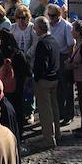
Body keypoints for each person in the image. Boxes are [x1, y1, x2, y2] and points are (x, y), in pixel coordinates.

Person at [32, 15, 61, 149]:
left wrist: (36, 77)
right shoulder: (53, 40)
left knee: (45, 112)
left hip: (44, 81)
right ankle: (57, 134)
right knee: (54, 108)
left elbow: (41, 65)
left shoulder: (42, 43)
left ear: (39, 28)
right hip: (54, 78)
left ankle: (49, 139)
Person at [47, 4, 74, 125]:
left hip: (63, 57)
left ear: (58, 15)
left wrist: (68, 61)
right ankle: (60, 112)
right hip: (53, 58)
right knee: (57, 88)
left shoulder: (66, 26)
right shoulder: (48, 25)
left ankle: (69, 114)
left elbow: (70, 45)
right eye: (49, 15)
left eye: (52, 16)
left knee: (66, 87)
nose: (50, 18)